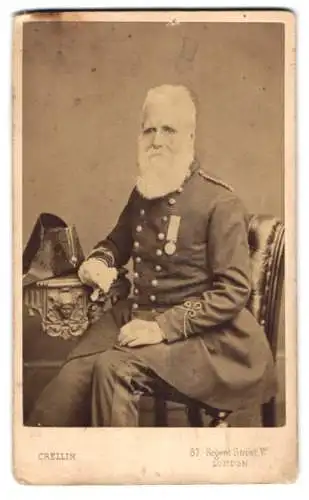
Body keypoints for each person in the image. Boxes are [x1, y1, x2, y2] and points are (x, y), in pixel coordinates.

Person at [27, 84, 276, 427]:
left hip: (203, 336)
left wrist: (161, 328)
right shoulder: (144, 191)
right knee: (67, 386)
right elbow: (116, 242)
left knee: (113, 370)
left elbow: (232, 291)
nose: (157, 140)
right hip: (135, 314)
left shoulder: (220, 203)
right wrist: (99, 262)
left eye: (168, 129)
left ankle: (122, 471)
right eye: (149, 129)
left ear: (190, 136)